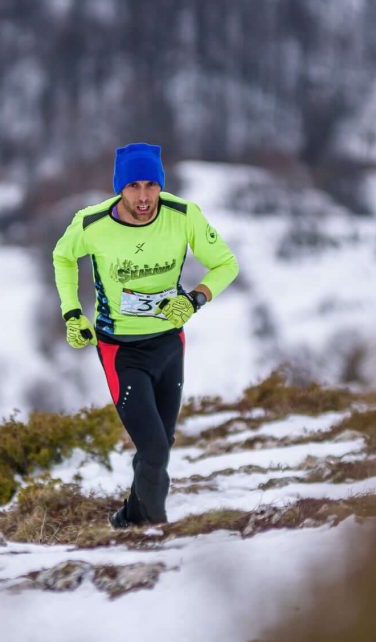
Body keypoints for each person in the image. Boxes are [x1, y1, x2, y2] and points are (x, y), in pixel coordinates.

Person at [52, 142, 239, 528]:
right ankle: (152, 530)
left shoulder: (183, 215)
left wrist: (194, 299)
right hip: (121, 350)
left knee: (161, 446)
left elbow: (226, 264)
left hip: (169, 343)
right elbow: (63, 256)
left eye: (150, 185)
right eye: (133, 186)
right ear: (120, 188)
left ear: (160, 185)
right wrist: (72, 313)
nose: (142, 197)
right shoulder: (92, 223)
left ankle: (130, 517)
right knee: (152, 448)